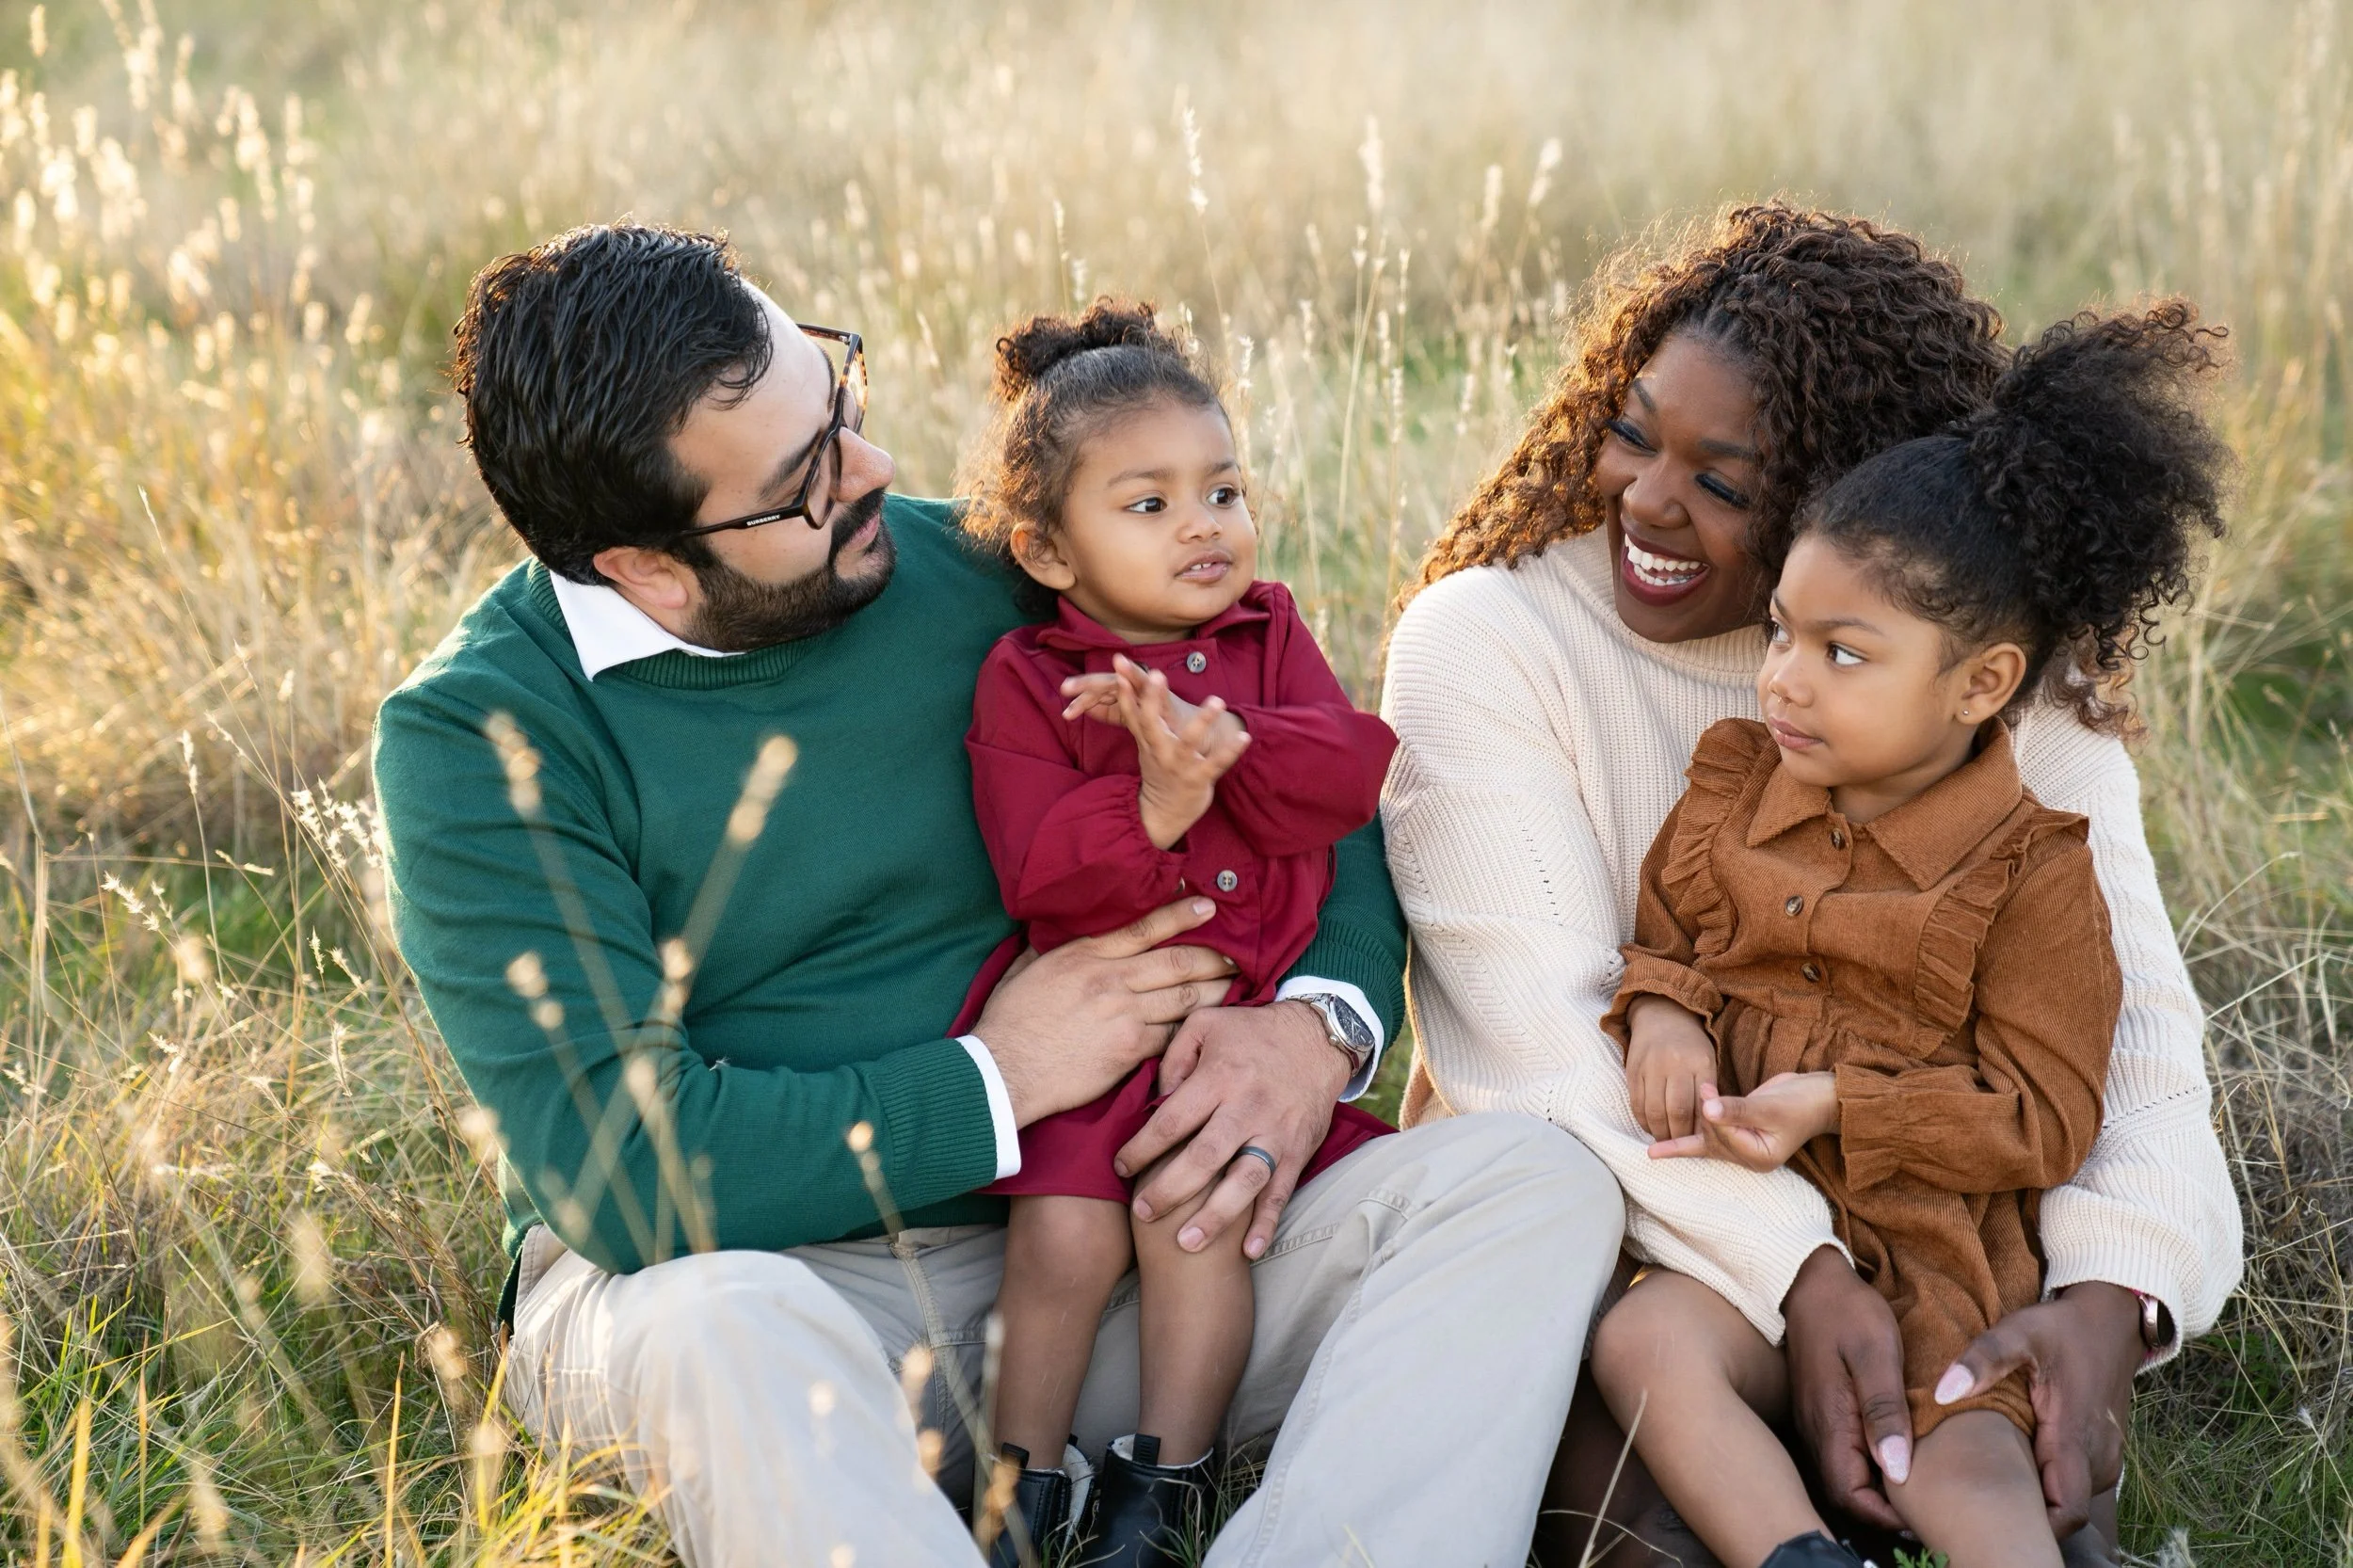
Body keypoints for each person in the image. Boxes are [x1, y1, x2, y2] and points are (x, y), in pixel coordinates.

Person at [374, 223, 1621, 1568]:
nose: (876, 469)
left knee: (1528, 1186)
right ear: (646, 567)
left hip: (1116, 1257)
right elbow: (631, 1174)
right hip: (776, 1304)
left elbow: (1322, 804)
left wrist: (1315, 1029)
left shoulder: (1002, 569)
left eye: (835, 400)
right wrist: (993, 1077)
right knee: (714, 1325)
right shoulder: (483, 733)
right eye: (805, 480)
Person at [1380, 205, 2245, 1565]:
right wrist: (1797, 1266)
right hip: (1631, 1240)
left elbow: (2129, 1045)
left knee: (2007, 1454)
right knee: (1626, 1479)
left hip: (1934, 1234)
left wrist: (2114, 1294)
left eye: (1725, 485)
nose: (1647, 502)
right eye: (1632, 430)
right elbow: (1546, 1051)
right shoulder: (1490, 639)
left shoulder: (2000, 681)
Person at [1589, 306, 2230, 1568]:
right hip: (1742, 1234)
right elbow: (1665, 932)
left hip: (1934, 1269)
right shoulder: (1731, 785)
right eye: (1780, 630)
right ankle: (1800, 1554)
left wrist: (1839, 1101)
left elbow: (2047, 1113)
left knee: (1967, 1464)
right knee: (1644, 1347)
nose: (1782, 678)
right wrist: (1662, 1009)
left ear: (1983, 684)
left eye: (1842, 653)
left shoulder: (2034, 872)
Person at [947, 300, 1400, 1566]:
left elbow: (1351, 778)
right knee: (1067, 1230)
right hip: (1098, 1028)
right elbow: (1040, 873)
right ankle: (1017, 1491)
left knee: (1195, 1220)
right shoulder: (1029, 680)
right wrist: (1154, 800)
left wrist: (1233, 748)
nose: (1204, 526)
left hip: (1235, 1023)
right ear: (1047, 548)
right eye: (1147, 504)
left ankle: (1164, 1487)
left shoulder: (1271, 639)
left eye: (1223, 489)